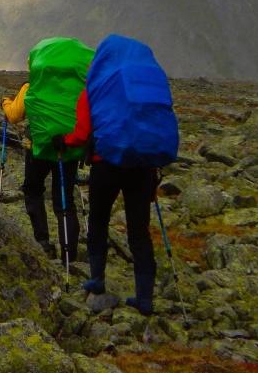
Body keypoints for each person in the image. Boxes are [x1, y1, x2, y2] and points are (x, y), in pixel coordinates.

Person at [58, 34, 179, 315]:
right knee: (139, 231)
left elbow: (81, 133)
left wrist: (64, 142)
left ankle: (97, 280)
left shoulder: (96, 89)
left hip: (107, 164)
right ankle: (145, 298)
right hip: (143, 167)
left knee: (98, 221)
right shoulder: (149, 87)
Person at [1, 38, 94, 265]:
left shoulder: (31, 87)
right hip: (69, 149)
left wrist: (4, 103)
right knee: (65, 199)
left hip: (38, 149)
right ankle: (69, 253)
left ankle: (42, 242)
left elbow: (14, 116)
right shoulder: (82, 89)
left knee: (33, 189)